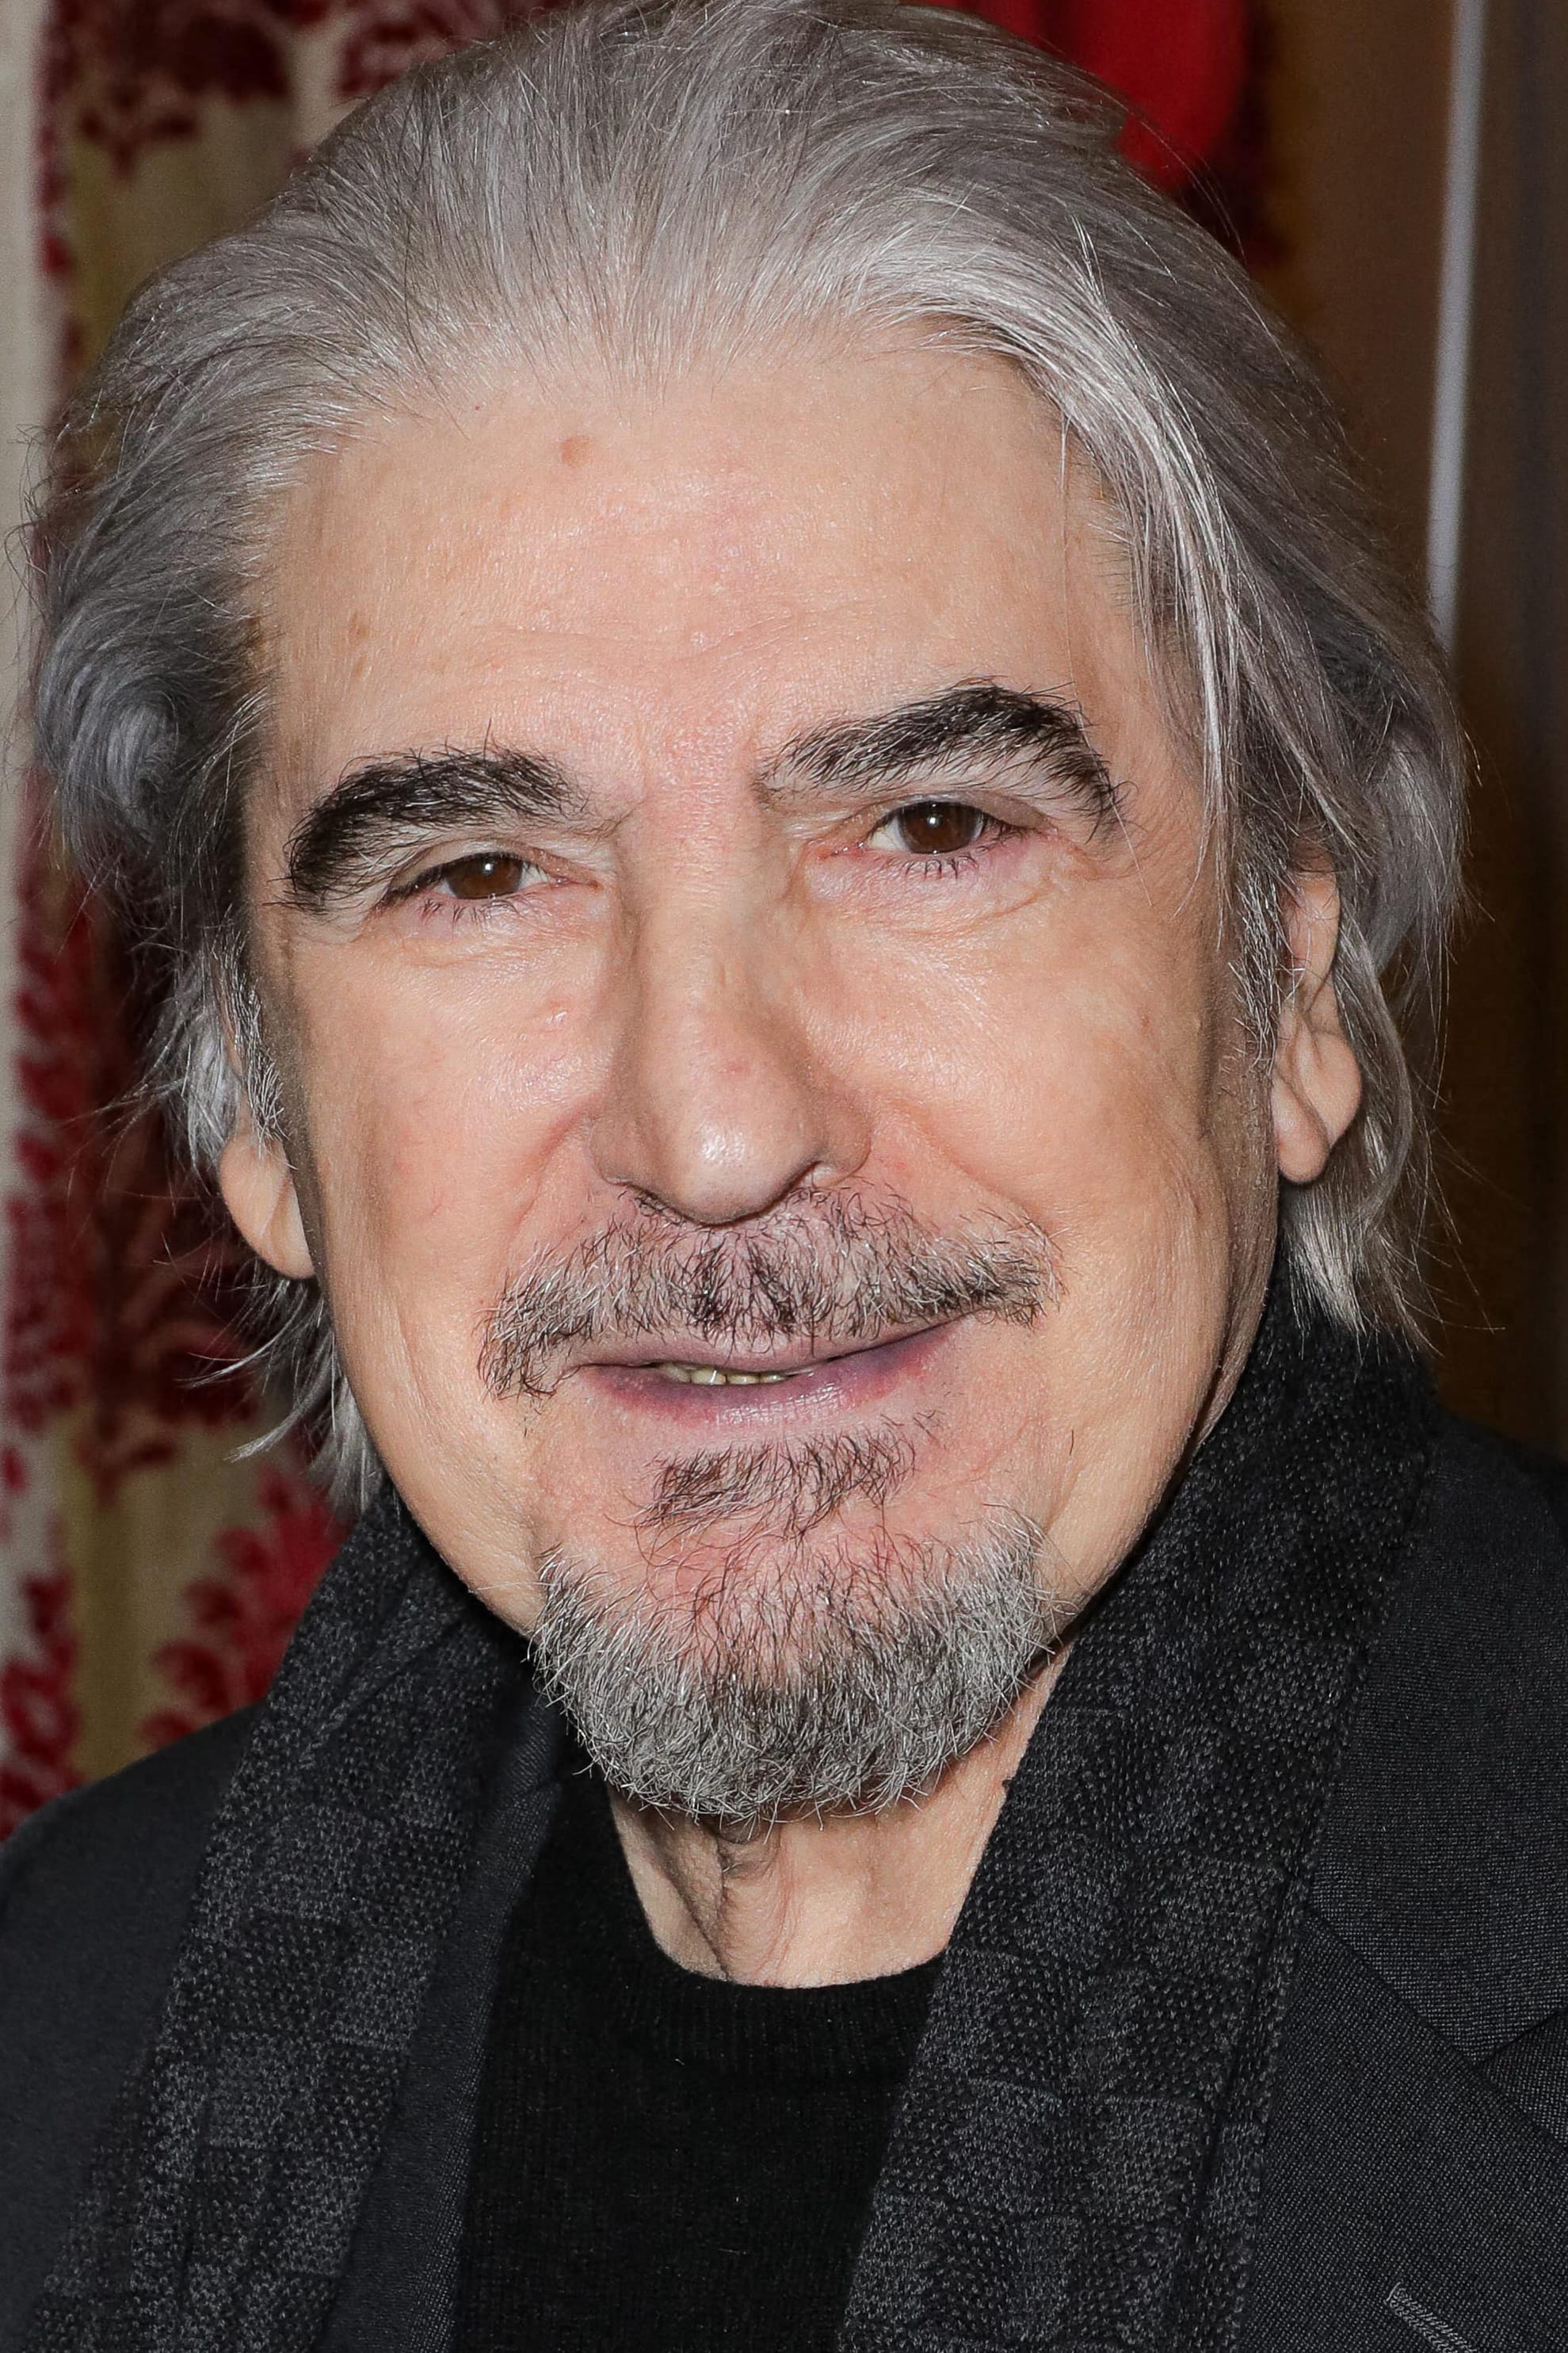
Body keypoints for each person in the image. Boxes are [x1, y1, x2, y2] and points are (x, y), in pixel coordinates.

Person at [2, 2, 1565, 2347]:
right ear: (257, 1118)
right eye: (478, 873)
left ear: (1292, 989)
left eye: (928, 829)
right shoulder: (68, 2017)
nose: (715, 1131)